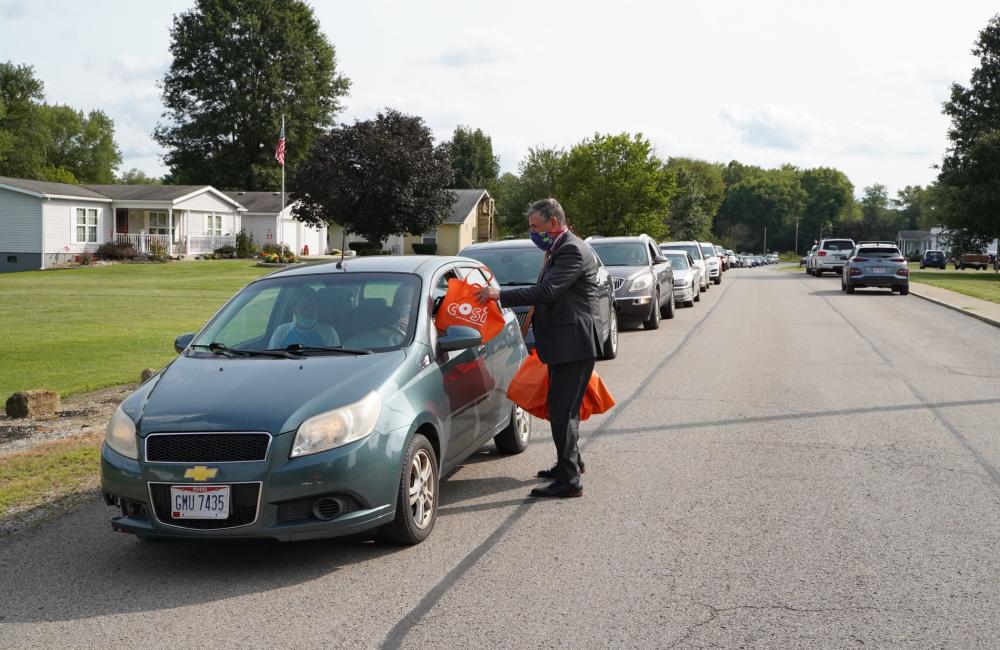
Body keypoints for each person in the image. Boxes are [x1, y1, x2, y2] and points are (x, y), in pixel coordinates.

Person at [477, 198, 602, 498]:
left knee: (562, 412)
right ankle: (568, 464)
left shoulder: (571, 249)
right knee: (563, 409)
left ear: (553, 223)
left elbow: (548, 292)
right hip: (565, 343)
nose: (532, 231)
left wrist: (499, 294)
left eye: (535, 225)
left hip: (574, 344)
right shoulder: (558, 247)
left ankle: (569, 480)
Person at [268, 289, 341, 349]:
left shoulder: (329, 333)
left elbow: (335, 360)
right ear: (294, 309)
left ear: (317, 308)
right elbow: (271, 360)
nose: (307, 311)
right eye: (303, 306)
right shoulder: (281, 332)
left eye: (311, 306)